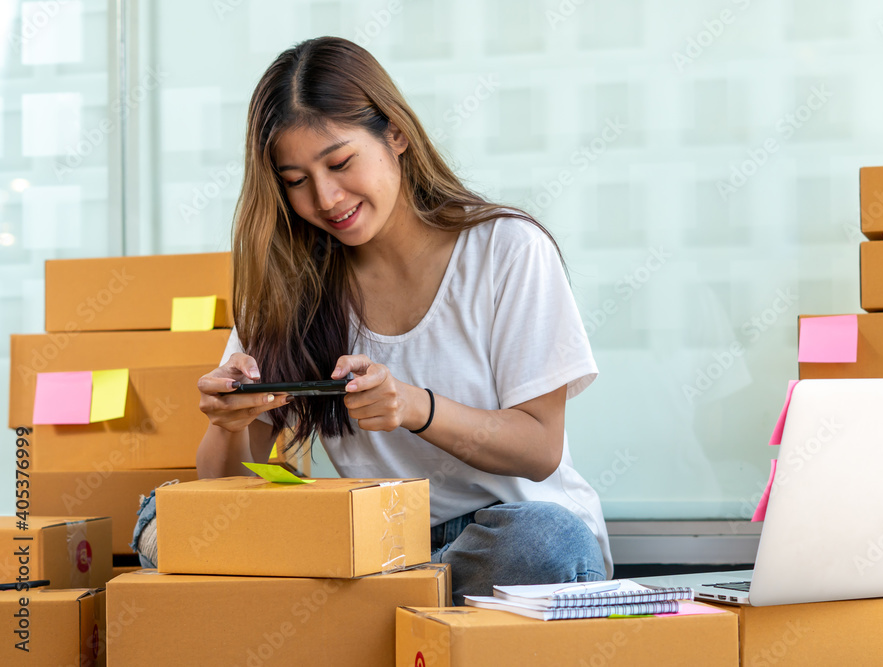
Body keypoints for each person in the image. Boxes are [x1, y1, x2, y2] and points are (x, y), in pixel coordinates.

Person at [134, 36, 611, 604]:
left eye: (339, 163)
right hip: (377, 539)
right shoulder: (293, 280)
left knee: (546, 544)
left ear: (396, 134)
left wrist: (415, 407)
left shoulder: (506, 250)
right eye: (295, 181)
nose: (327, 197)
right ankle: (377, 604)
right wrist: (228, 422)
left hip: (502, 536)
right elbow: (226, 488)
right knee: (162, 516)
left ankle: (353, 607)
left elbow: (538, 450)